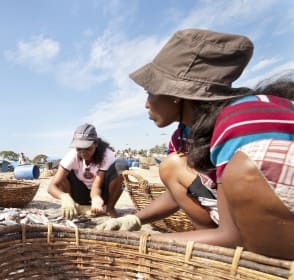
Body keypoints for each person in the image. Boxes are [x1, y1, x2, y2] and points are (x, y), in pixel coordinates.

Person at [99, 29, 294, 259]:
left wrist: (145, 243)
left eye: (150, 92)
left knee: (243, 171)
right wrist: (135, 218)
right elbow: (179, 193)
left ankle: (265, 271)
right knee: (172, 166)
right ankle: (215, 246)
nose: (146, 104)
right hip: (240, 224)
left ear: (175, 94)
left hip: (277, 221)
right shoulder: (184, 133)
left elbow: (233, 235)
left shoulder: (244, 121)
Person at [47, 123, 129, 219]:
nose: (83, 153)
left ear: (96, 144)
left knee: (121, 165)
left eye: (87, 148)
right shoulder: (72, 156)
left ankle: (110, 208)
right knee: (62, 174)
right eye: (79, 149)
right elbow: (52, 186)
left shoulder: (106, 154)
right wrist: (64, 197)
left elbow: (96, 186)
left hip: (101, 194)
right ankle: (74, 206)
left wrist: (96, 198)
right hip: (79, 195)